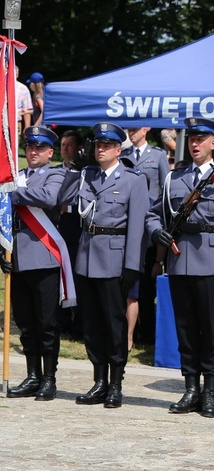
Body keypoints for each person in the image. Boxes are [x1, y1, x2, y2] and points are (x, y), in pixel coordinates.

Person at [64, 122, 148, 409]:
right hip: (87, 257)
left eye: (105, 145)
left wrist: (132, 265)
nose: (99, 149)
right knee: (91, 323)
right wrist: (75, 167)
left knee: (114, 324)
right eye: (97, 145)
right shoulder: (87, 176)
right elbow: (63, 199)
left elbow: (137, 227)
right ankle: (98, 380)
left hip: (115, 258)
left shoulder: (133, 180)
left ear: (117, 148)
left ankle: (115, 384)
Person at [147, 117, 214, 417]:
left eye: (202, 139)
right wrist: (155, 231)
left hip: (209, 260)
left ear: (213, 142)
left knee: (210, 329)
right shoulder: (174, 178)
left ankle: (210, 392)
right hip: (179, 261)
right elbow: (152, 213)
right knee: (185, 328)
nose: (195, 144)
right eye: (192, 139)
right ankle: (191, 389)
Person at [0, 126, 68, 402]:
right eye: (29, 147)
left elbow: (49, 198)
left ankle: (49, 378)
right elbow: (0, 214)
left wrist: (13, 191)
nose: (33, 152)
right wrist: (0, 250)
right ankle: (32, 375)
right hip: (16, 257)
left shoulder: (56, 173)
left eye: (39, 148)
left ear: (50, 152)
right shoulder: (16, 176)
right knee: (25, 323)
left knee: (47, 323)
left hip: (44, 255)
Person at [120, 126, 169, 346]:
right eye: (129, 129)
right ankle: (129, 330)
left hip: (149, 223)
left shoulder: (157, 155)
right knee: (129, 284)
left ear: (146, 130)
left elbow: (165, 188)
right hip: (129, 222)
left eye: (135, 129)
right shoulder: (124, 155)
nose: (131, 133)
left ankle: (146, 332)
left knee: (147, 288)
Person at [56, 130, 84, 341]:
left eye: (69, 145)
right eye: (63, 144)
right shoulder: (54, 172)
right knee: (59, 281)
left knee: (77, 280)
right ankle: (61, 321)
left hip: (77, 233)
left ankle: (79, 325)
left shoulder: (87, 172)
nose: (65, 148)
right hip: (58, 232)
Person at [14, 66, 33, 135]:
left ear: (17, 75)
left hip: (16, 122)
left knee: (14, 145)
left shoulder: (23, 89)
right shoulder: (0, 87)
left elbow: (27, 109)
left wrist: (27, 127)